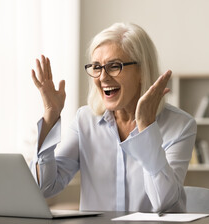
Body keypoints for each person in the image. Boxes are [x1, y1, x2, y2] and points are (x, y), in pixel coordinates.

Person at [30, 23, 197, 213]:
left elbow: (164, 203)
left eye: (114, 66)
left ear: (142, 71)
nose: (103, 77)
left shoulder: (180, 125)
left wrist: (147, 127)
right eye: (96, 67)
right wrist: (50, 116)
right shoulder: (84, 121)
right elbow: (44, 188)